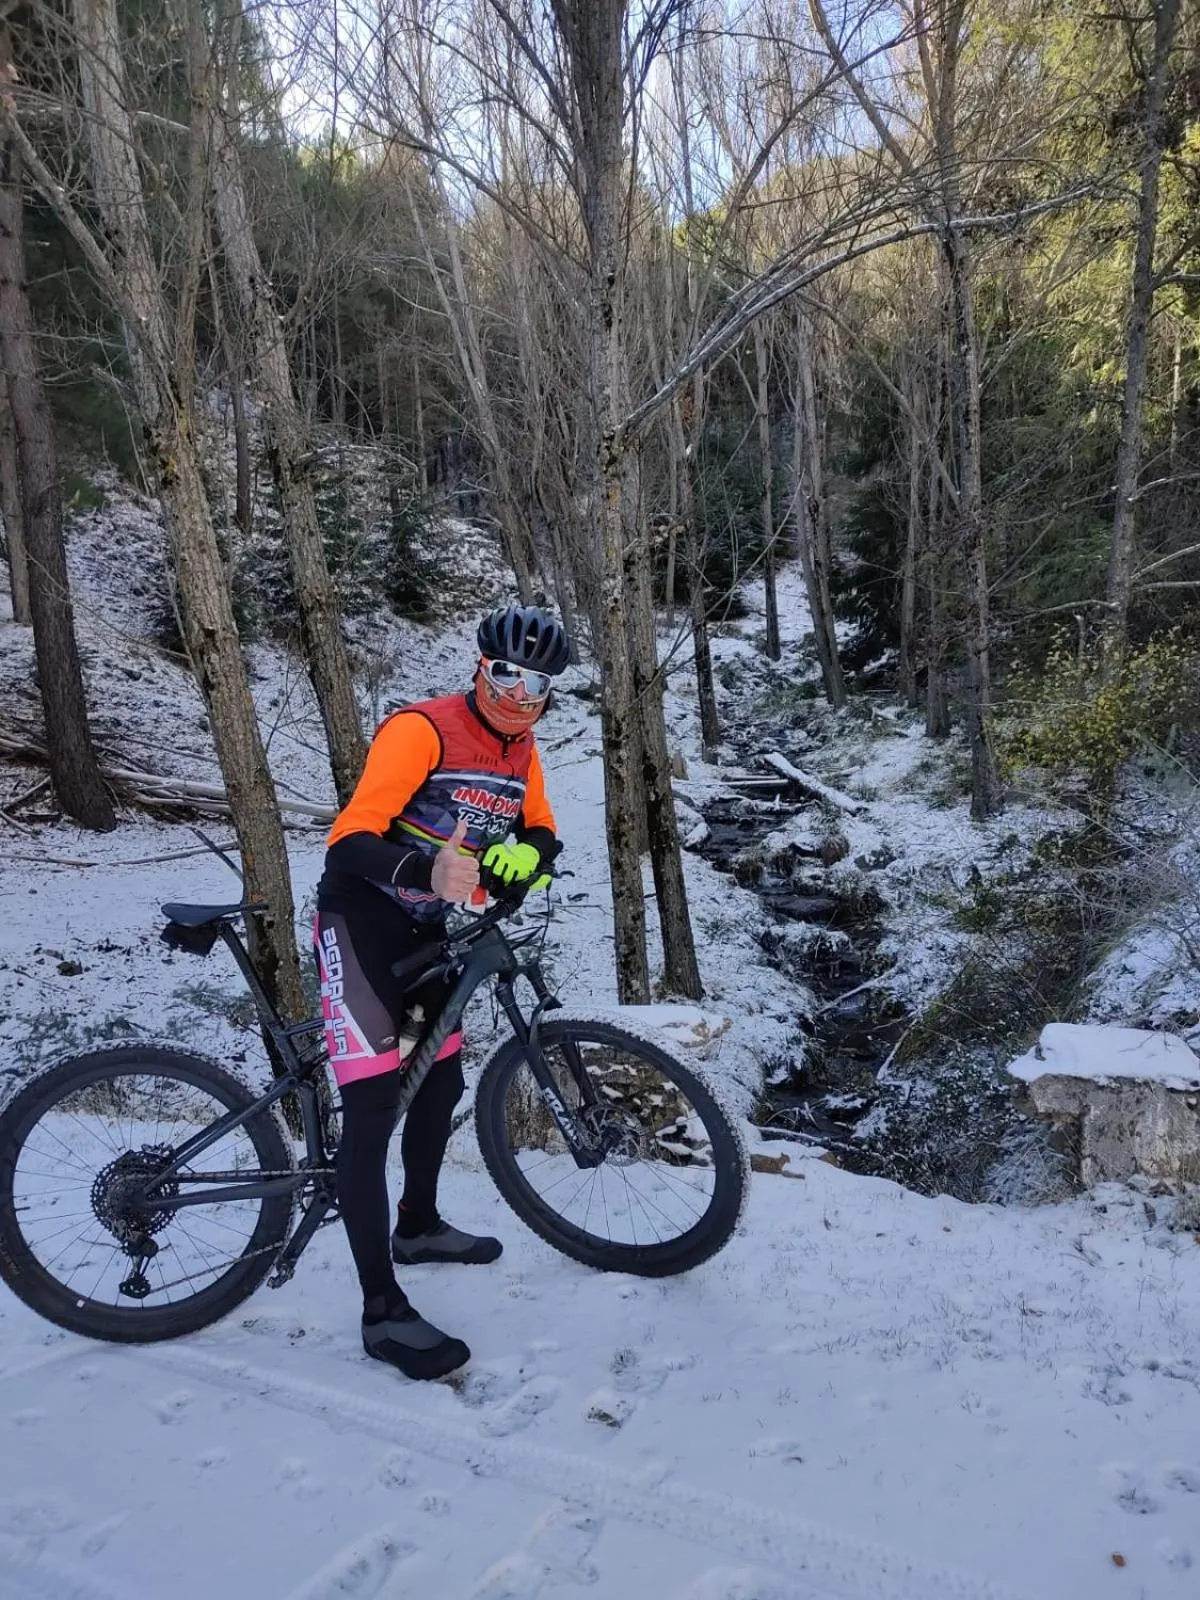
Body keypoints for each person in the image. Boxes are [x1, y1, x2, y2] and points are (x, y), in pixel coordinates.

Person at [314, 604, 569, 1381]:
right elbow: (350, 837)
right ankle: (381, 1310)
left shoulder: (520, 752)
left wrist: (526, 860)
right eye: (508, 675)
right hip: (361, 924)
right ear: (480, 668)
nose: (521, 696)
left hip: (431, 937)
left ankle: (417, 1225)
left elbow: (542, 830)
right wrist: (426, 871)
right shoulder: (420, 729)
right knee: (373, 1108)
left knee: (443, 1082)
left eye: (539, 684)